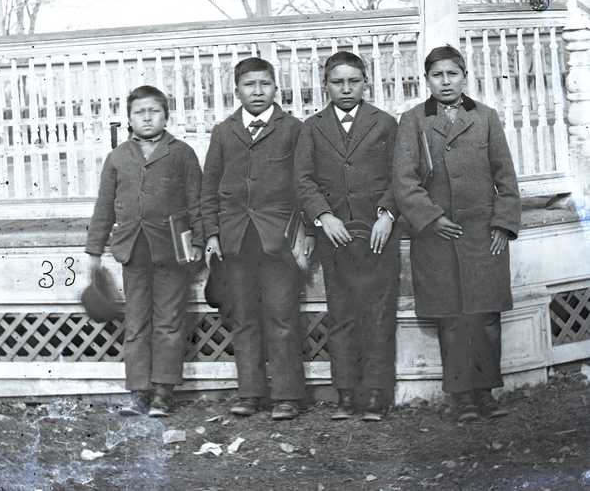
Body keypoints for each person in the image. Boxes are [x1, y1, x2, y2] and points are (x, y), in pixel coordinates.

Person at [393, 44, 521, 423]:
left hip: (483, 235)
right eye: (437, 75)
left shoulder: (485, 118)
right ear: (427, 80)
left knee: (484, 315)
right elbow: (404, 181)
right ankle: (463, 397)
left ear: (465, 76)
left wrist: (502, 223)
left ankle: (485, 393)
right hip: (438, 238)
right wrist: (431, 218)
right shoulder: (413, 120)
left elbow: (506, 178)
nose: (445, 81)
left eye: (452, 74)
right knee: (451, 317)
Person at [201, 57, 311, 420]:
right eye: (250, 85)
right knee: (243, 317)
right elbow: (209, 188)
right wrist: (212, 234)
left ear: (276, 88)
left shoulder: (293, 129)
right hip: (235, 239)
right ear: (237, 91)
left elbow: (304, 184)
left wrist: (302, 234)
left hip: (277, 239)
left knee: (281, 315)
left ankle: (287, 395)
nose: (258, 91)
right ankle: (249, 392)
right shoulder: (223, 131)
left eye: (265, 84)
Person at [85, 85, 203, 418]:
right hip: (133, 251)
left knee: (168, 321)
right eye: (140, 112)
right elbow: (104, 206)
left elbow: (197, 202)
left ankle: (164, 391)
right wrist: (94, 250)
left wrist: (198, 242)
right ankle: (139, 391)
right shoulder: (118, 157)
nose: (147, 117)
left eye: (154, 111)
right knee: (136, 322)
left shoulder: (181, 153)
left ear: (166, 115)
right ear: (129, 119)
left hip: (172, 251)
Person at [295, 50, 399, 421]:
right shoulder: (312, 127)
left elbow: (400, 176)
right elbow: (303, 179)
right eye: (337, 82)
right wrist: (324, 216)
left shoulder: (385, 124)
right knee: (340, 314)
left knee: (377, 314)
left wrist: (386, 215)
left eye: (353, 81)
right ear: (325, 85)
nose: (346, 89)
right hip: (334, 237)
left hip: (376, 235)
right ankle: (346, 394)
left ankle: (375, 394)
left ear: (366, 83)